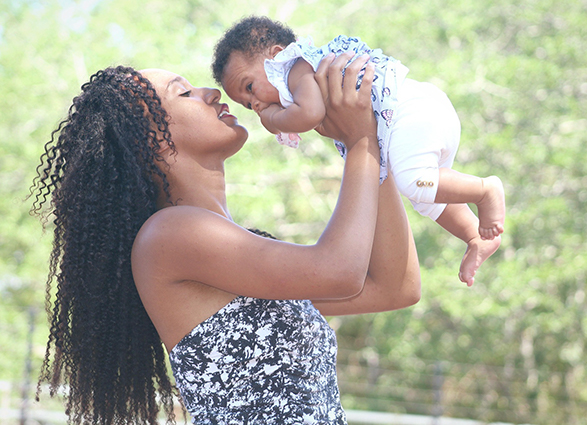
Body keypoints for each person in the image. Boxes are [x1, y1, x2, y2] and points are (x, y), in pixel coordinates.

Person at [31, 52, 420, 424]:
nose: (211, 93)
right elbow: (339, 271)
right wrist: (359, 141)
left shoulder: (232, 255)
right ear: (149, 142)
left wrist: (370, 137)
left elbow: (393, 287)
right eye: (184, 93)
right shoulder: (170, 234)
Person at [211, 16, 506, 286]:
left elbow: (310, 113)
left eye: (250, 87)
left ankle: (484, 189)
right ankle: (474, 235)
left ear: (276, 55)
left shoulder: (295, 68)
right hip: (413, 120)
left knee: (415, 182)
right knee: (426, 193)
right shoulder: (296, 79)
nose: (256, 104)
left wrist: (273, 120)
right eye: (248, 106)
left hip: (409, 112)